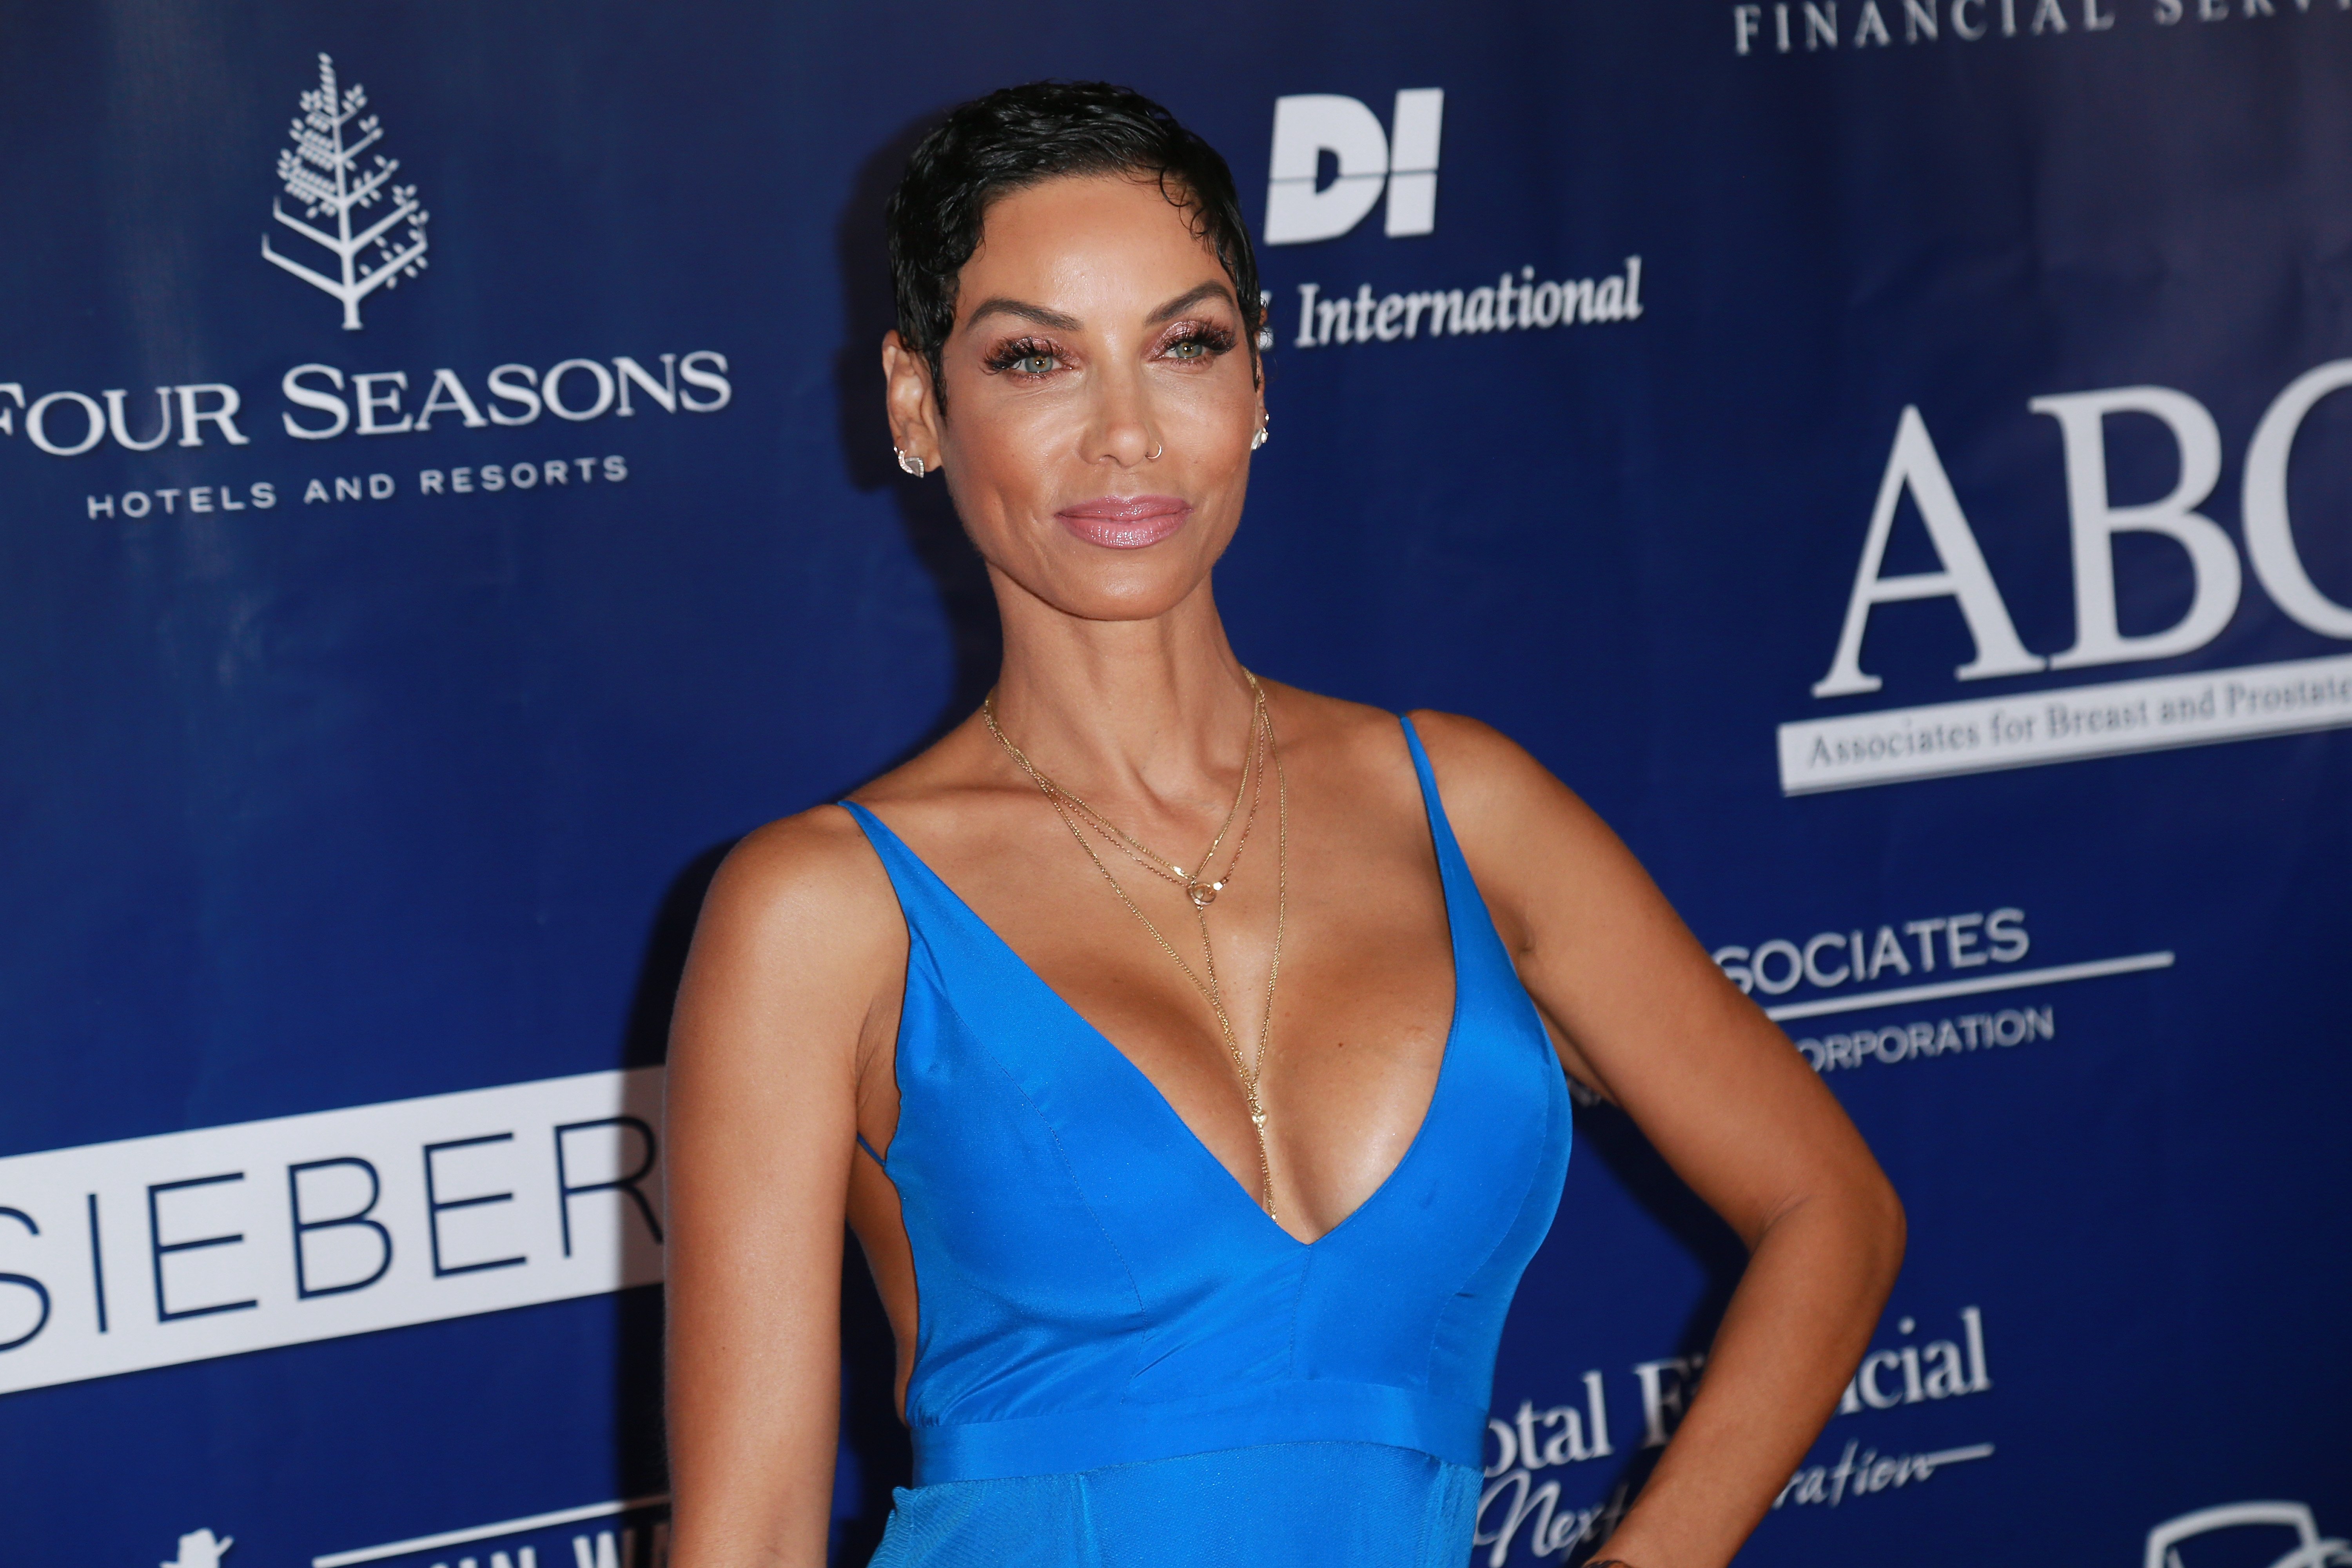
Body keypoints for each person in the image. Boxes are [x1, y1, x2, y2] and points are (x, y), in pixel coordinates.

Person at [664, 81, 1903, 1568]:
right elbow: (744, 1541)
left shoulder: (1468, 804)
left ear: (1259, 381)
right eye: (1035, 360)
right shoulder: (818, 911)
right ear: (920, 403)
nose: (1126, 435)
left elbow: (1827, 1205)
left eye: (1185, 345)